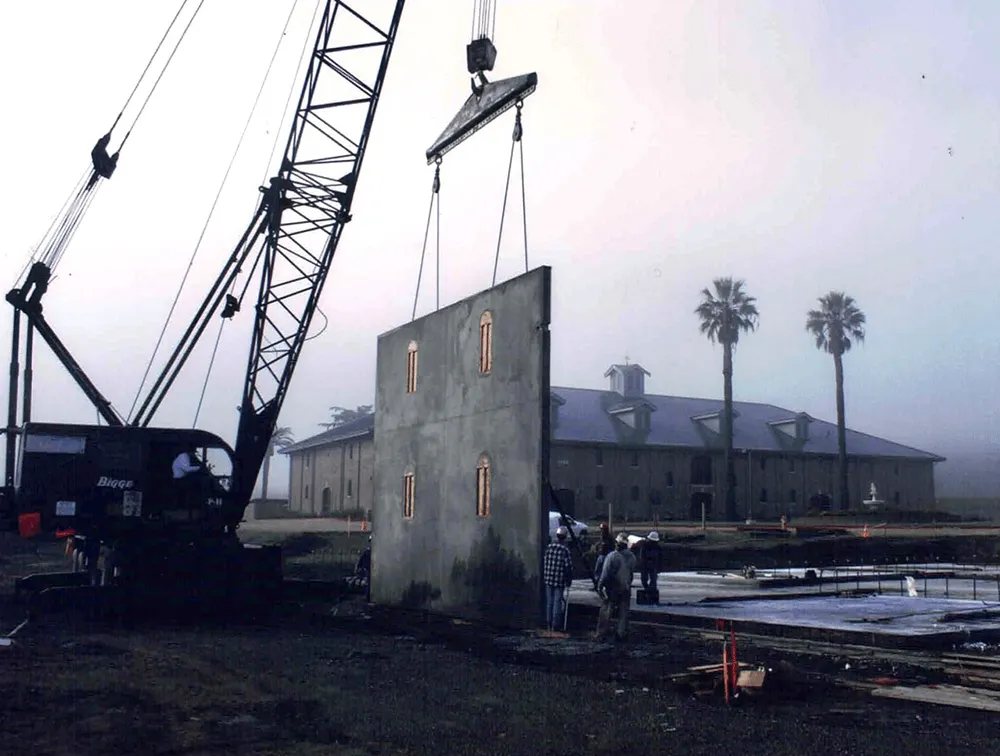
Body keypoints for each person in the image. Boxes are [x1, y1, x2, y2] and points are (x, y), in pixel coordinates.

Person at [595, 532, 637, 643]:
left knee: (606, 610)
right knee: (623, 613)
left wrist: (600, 586)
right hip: (625, 588)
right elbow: (631, 573)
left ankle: (601, 634)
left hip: (612, 588)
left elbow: (605, 574)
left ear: (617, 543)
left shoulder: (612, 556)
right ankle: (621, 634)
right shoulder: (632, 557)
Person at [542, 525, 574, 631]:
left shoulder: (549, 547)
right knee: (557, 602)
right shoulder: (565, 550)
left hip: (548, 578)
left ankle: (548, 623)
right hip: (559, 580)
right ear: (564, 537)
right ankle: (556, 625)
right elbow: (568, 567)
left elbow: (545, 561)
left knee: (549, 602)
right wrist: (569, 580)